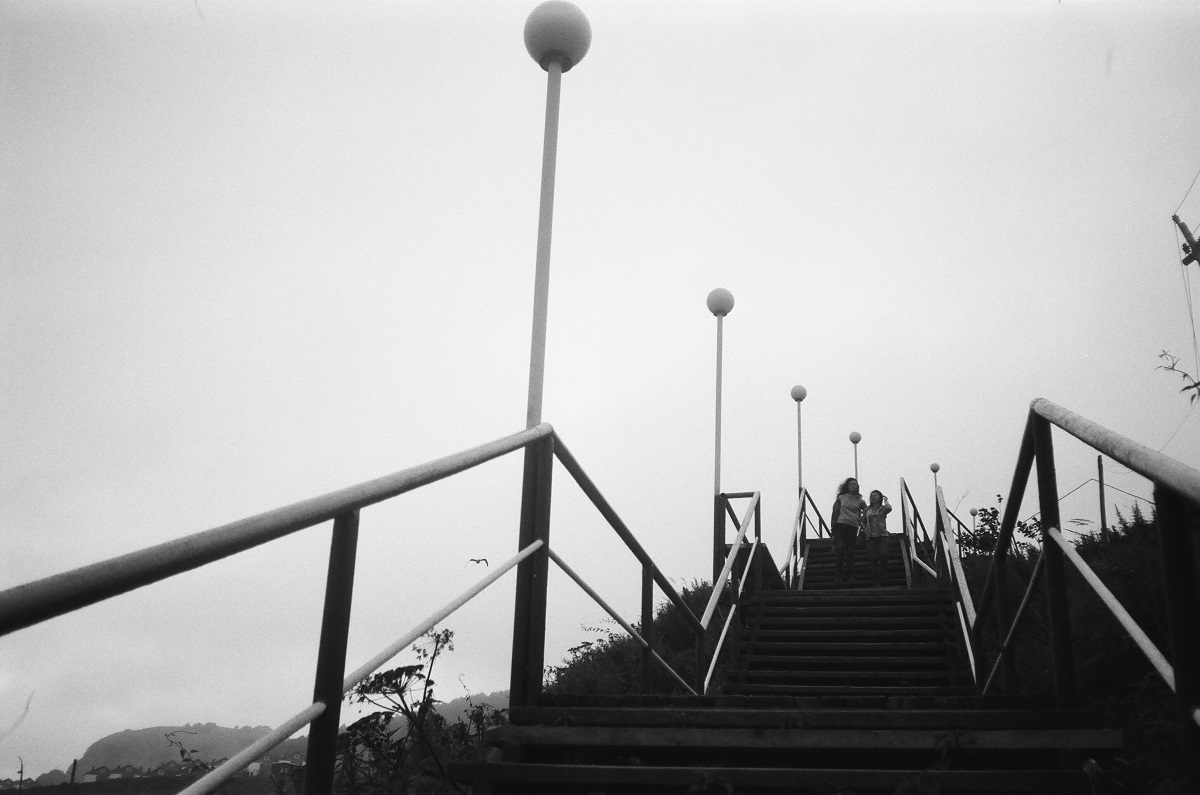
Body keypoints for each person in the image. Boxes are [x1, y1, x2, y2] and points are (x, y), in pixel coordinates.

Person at [830, 478, 867, 583]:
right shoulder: (841, 498)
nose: (853, 485)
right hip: (840, 525)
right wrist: (832, 526)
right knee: (840, 548)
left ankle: (850, 574)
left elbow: (867, 512)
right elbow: (835, 511)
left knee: (850, 551)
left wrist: (862, 519)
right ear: (847, 485)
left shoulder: (860, 501)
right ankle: (839, 574)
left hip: (853, 526)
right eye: (851, 484)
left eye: (855, 484)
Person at [864, 490, 893, 586]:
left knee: (884, 554)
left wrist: (886, 500)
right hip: (871, 536)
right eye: (871, 496)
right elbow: (864, 520)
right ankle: (877, 579)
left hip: (882, 535)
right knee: (873, 558)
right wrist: (864, 528)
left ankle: (883, 573)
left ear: (879, 497)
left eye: (875, 495)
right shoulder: (867, 509)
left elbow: (889, 508)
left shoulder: (883, 508)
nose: (873, 497)